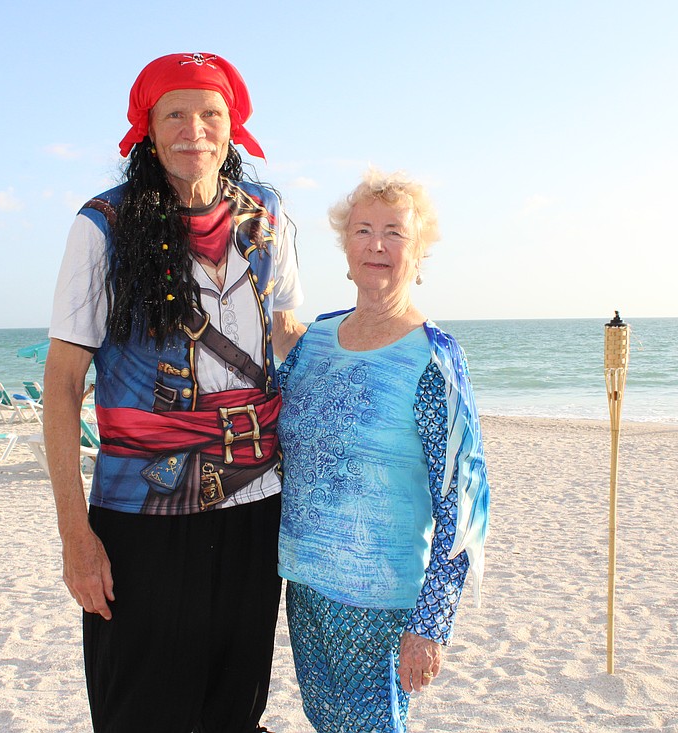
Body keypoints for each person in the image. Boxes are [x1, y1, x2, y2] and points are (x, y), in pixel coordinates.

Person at [44, 52, 304, 733]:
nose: (196, 130)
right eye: (176, 114)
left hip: (255, 504)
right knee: (140, 712)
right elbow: (63, 384)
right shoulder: (102, 224)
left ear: (233, 128)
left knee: (234, 707)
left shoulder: (266, 215)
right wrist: (76, 534)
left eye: (211, 114)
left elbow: (290, 340)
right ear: (148, 130)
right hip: (142, 513)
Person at [276, 169, 490, 732]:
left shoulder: (433, 358)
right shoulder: (313, 341)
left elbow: (461, 504)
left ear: (418, 253)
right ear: (345, 248)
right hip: (304, 586)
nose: (377, 244)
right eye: (363, 229)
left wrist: (432, 622)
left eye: (395, 232)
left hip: (381, 600)